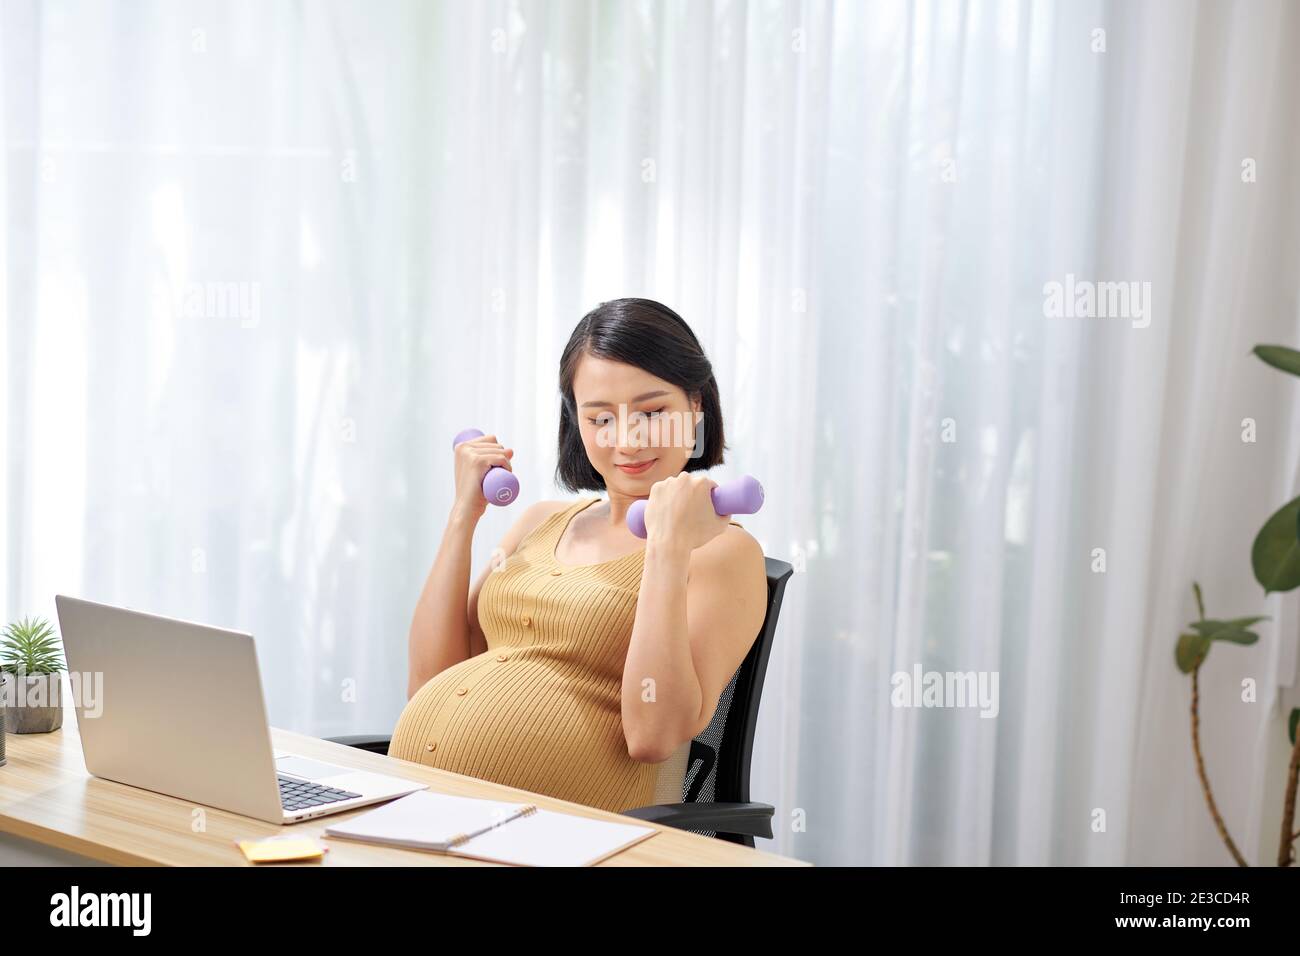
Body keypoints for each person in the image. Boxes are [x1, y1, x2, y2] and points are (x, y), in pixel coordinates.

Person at [388, 297, 768, 812]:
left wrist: (666, 548)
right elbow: (428, 682)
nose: (627, 440)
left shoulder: (724, 552)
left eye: (653, 412)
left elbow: (653, 735)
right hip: (421, 807)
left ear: (695, 406)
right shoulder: (540, 520)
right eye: (601, 419)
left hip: (566, 837)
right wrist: (463, 516)